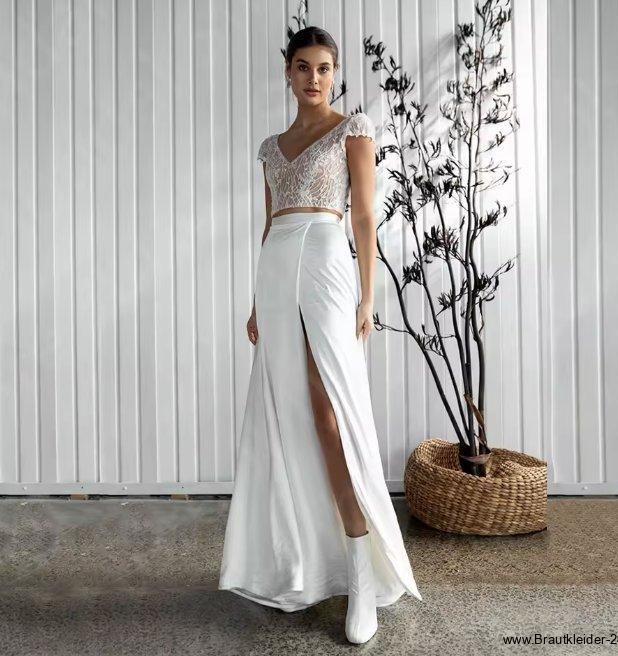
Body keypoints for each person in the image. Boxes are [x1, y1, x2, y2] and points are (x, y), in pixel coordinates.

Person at [218, 25, 422, 644]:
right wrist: (257, 302)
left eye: (325, 68)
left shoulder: (353, 129)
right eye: (303, 67)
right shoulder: (271, 147)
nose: (314, 78)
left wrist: (368, 295)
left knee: (331, 412)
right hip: (278, 269)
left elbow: (363, 216)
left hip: (328, 262)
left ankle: (362, 571)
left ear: (335, 73)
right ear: (288, 72)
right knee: (287, 415)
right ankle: (305, 563)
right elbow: (270, 224)